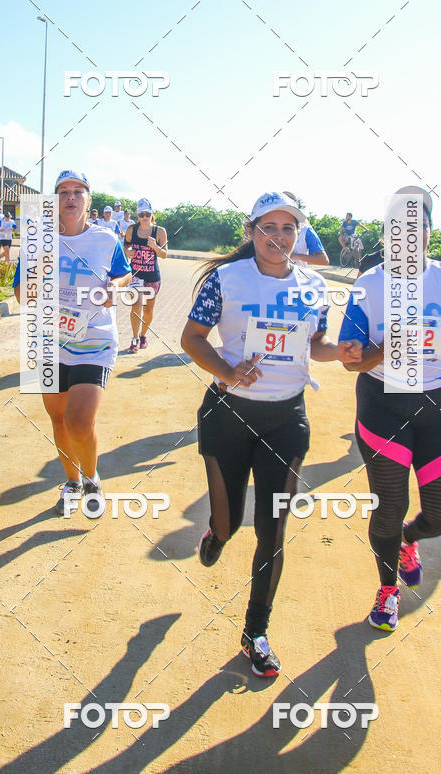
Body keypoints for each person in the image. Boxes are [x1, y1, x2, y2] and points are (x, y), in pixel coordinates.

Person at [181, 191, 361, 677]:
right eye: (269, 228)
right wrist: (227, 370)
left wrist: (339, 352)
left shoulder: (314, 285)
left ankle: (255, 632)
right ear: (252, 232)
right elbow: (191, 338)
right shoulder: (225, 280)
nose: (278, 237)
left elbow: (315, 344)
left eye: (288, 229)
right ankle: (217, 534)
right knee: (229, 523)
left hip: (286, 419)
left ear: (298, 236)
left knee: (272, 529)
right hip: (228, 416)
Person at [338, 186, 441, 632]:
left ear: (428, 232)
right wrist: (387, 347)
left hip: (439, 403)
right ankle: (387, 590)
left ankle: (408, 538)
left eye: (416, 226)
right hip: (383, 403)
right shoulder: (369, 285)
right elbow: (351, 360)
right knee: (389, 505)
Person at [13, 170, 132, 515]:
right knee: (59, 419)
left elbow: (123, 273)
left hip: (94, 339)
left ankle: (92, 478)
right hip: (48, 339)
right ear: (53, 201)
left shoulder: (106, 239)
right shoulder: (37, 239)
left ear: (88, 200)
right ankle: (72, 482)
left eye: (78, 191)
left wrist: (116, 287)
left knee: (78, 420)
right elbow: (22, 295)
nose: (70, 197)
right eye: (63, 191)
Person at [124, 198, 167, 352]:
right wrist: (127, 251)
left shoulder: (159, 231)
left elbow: (164, 254)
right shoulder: (131, 230)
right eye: (141, 215)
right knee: (136, 307)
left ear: (152, 214)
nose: (144, 217)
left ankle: (143, 335)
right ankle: (135, 338)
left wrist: (155, 246)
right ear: (137, 215)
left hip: (152, 276)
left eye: (147, 214)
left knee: (148, 310)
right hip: (136, 274)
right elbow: (125, 246)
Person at [283, 192, 329, 270]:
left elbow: (323, 260)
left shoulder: (305, 230)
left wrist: (297, 256)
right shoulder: (267, 229)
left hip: (298, 276)